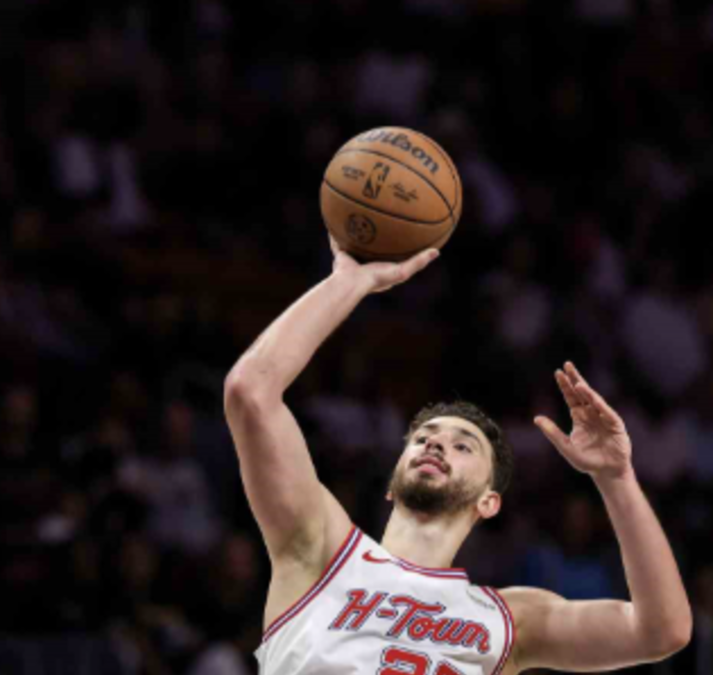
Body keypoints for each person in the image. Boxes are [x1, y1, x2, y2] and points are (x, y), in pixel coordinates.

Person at [222, 237, 692, 674]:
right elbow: (251, 391)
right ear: (391, 483)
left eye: (462, 445)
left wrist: (616, 478)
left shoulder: (509, 618)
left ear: (489, 501)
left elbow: (661, 631)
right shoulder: (322, 550)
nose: (435, 444)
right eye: (423, 438)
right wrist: (350, 281)